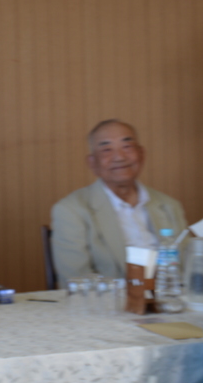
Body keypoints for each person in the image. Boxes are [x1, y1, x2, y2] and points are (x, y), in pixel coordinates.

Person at [50, 119, 187, 286]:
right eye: (106, 149)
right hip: (112, 301)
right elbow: (76, 280)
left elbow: (188, 267)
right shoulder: (71, 210)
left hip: (170, 297)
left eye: (127, 146)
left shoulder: (169, 206)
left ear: (142, 154)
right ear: (92, 163)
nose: (120, 157)